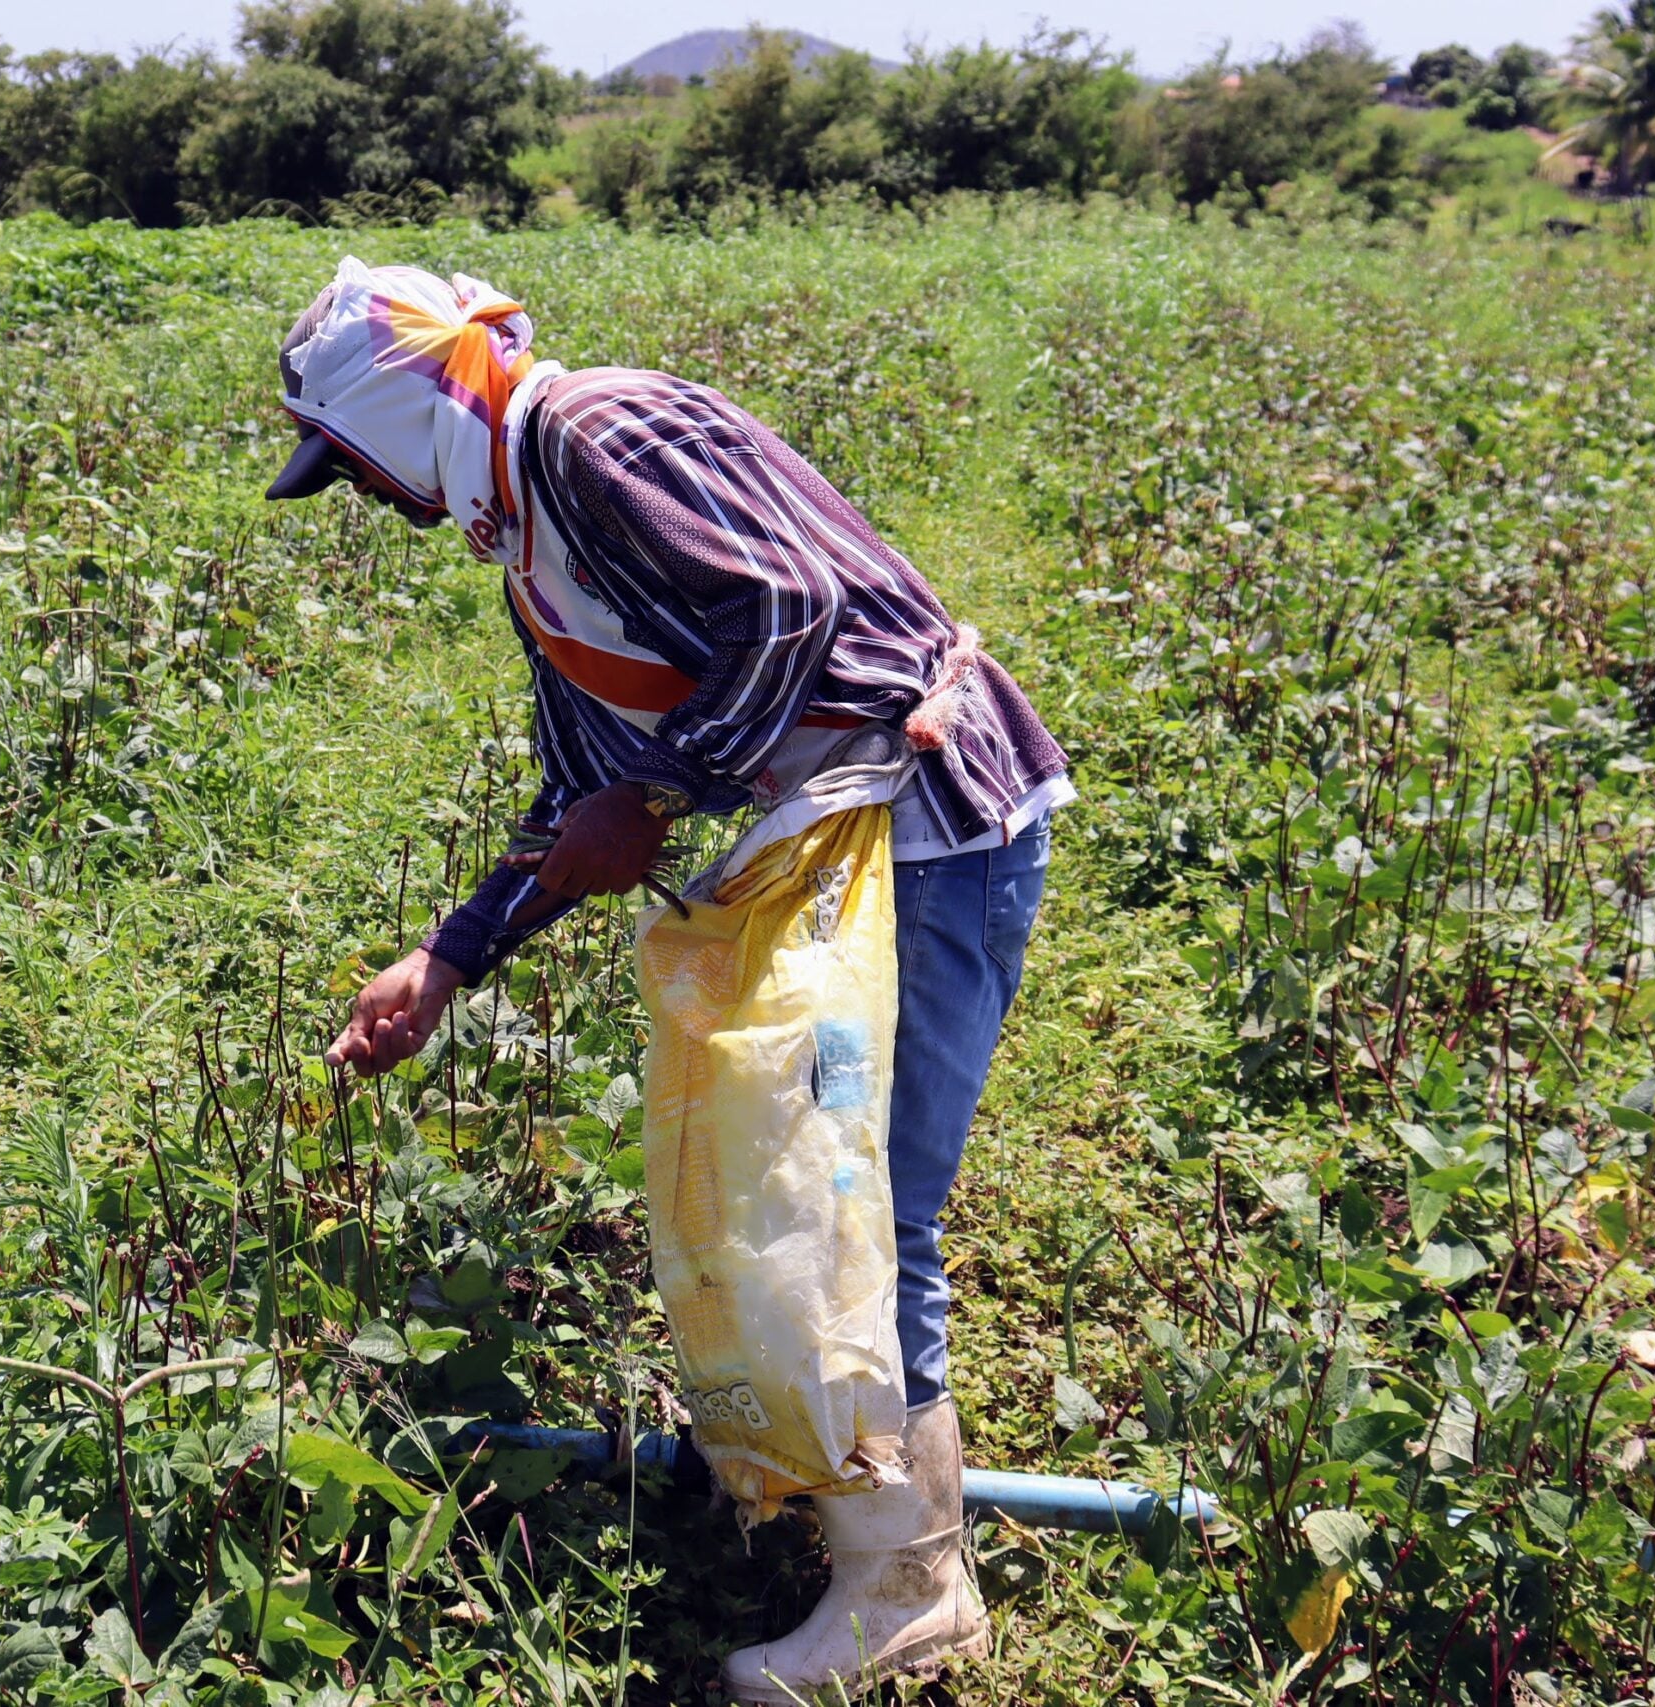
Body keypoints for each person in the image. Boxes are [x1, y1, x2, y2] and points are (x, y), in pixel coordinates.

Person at [271, 259, 1069, 1699]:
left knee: (870, 1191)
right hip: (834, 849)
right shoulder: (533, 546)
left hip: (934, 829)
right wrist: (447, 961)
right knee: (789, 1166)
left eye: (353, 461)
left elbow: (791, 609)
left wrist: (660, 785)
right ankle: (832, 1485)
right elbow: (578, 796)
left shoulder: (597, 436)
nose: (367, 498)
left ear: (405, 411)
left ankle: (911, 1584)